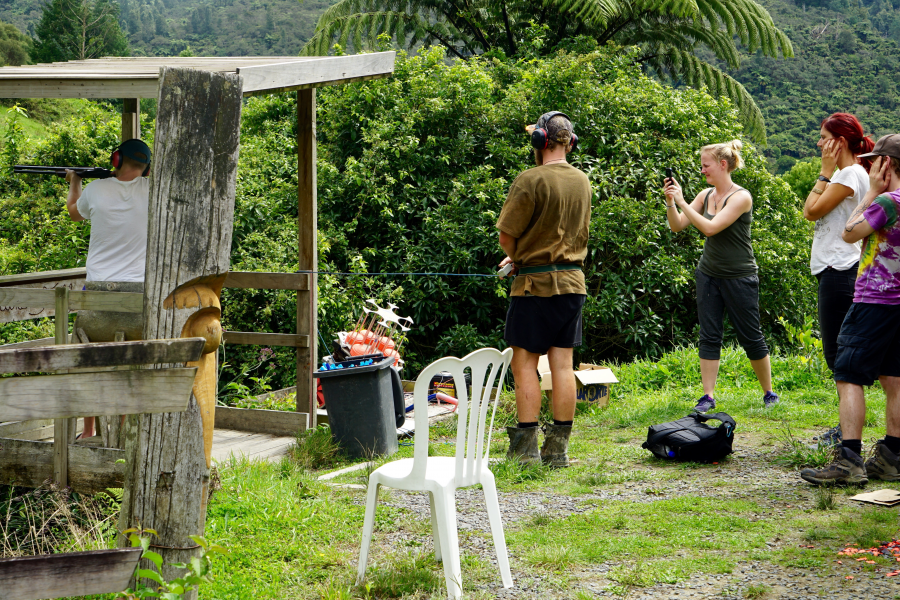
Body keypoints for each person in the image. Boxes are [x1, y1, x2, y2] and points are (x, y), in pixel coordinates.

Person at [801, 136, 900, 485]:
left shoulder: (888, 202)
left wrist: (871, 192)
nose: (870, 167)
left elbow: (848, 233)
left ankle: (849, 461)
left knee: (848, 375)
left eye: (875, 162)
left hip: (874, 300)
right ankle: (892, 457)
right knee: (893, 377)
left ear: (886, 165)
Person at [497, 111, 591, 468]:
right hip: (572, 283)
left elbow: (508, 236)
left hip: (534, 286)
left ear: (540, 141)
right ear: (570, 142)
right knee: (563, 364)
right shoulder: (582, 181)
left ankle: (525, 452)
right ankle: (557, 452)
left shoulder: (529, 179)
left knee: (524, 364)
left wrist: (518, 258)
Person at [663, 140, 778, 412]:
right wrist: (671, 203)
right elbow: (678, 225)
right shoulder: (705, 196)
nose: (702, 170)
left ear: (722, 165)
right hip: (709, 274)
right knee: (709, 334)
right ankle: (708, 396)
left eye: (706, 165)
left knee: (751, 335)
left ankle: (769, 392)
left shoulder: (741, 197)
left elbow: (711, 228)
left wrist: (681, 200)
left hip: (740, 277)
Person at [65, 138, 152, 439]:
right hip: (138, 298)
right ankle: (124, 428)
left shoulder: (95, 190)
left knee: (91, 362)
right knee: (130, 362)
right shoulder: (153, 193)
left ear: (116, 159)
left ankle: (90, 431)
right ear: (146, 166)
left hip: (99, 295)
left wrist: (75, 182)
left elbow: (74, 212)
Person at [803, 113, 873, 448]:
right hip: (836, 269)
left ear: (838, 142)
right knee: (838, 354)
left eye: (823, 137)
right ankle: (844, 427)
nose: (818, 143)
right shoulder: (853, 173)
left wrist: (824, 172)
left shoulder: (847, 174)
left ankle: (846, 434)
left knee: (838, 354)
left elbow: (811, 210)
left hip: (839, 269)